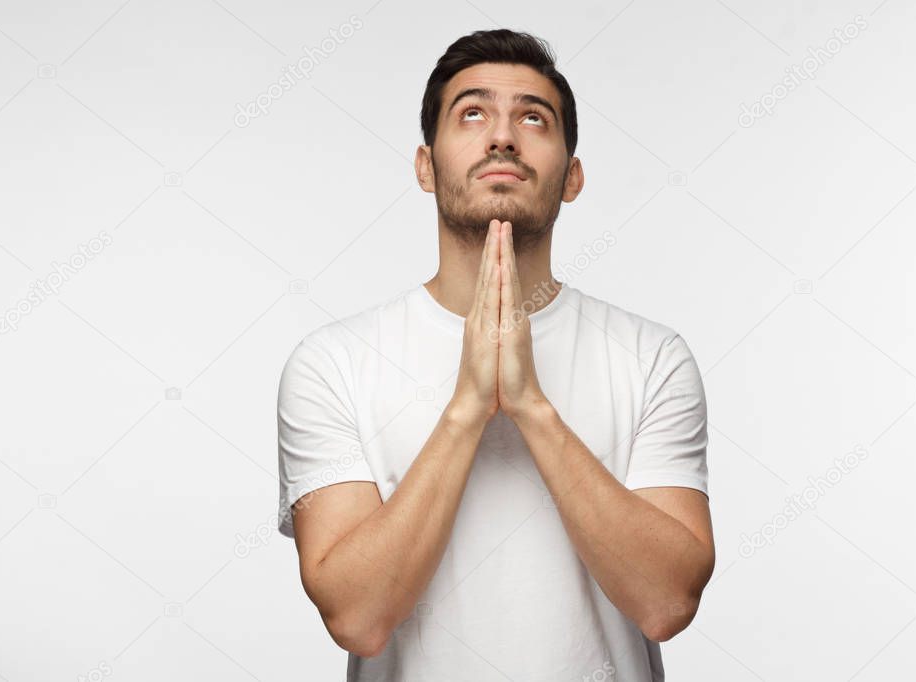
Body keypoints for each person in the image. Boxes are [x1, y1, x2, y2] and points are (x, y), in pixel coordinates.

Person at [277, 28, 715, 681]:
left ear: (571, 177)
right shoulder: (331, 363)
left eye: (532, 117)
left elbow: (665, 602)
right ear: (425, 166)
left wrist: (532, 407)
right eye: (473, 113)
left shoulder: (652, 357)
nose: (502, 136)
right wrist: (466, 409)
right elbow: (358, 617)